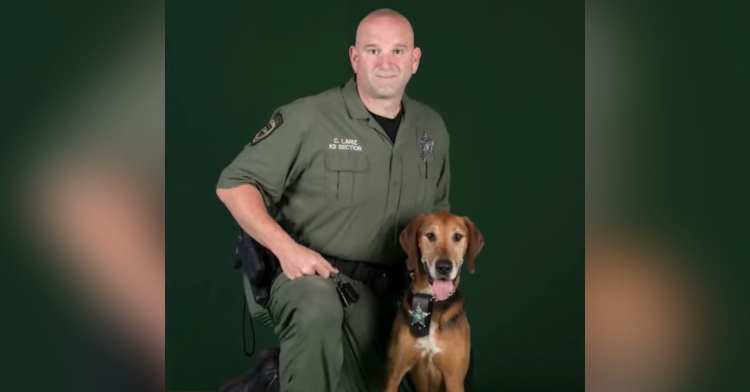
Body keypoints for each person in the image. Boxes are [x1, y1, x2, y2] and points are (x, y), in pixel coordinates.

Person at [215, 8, 451, 392]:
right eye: (373, 51)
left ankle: (269, 383)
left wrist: (432, 298)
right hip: (309, 278)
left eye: (397, 51)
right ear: (355, 58)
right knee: (317, 308)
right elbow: (234, 184)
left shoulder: (432, 130)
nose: (386, 63)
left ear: (415, 60)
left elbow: (438, 223)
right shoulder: (309, 118)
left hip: (385, 293)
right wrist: (286, 249)